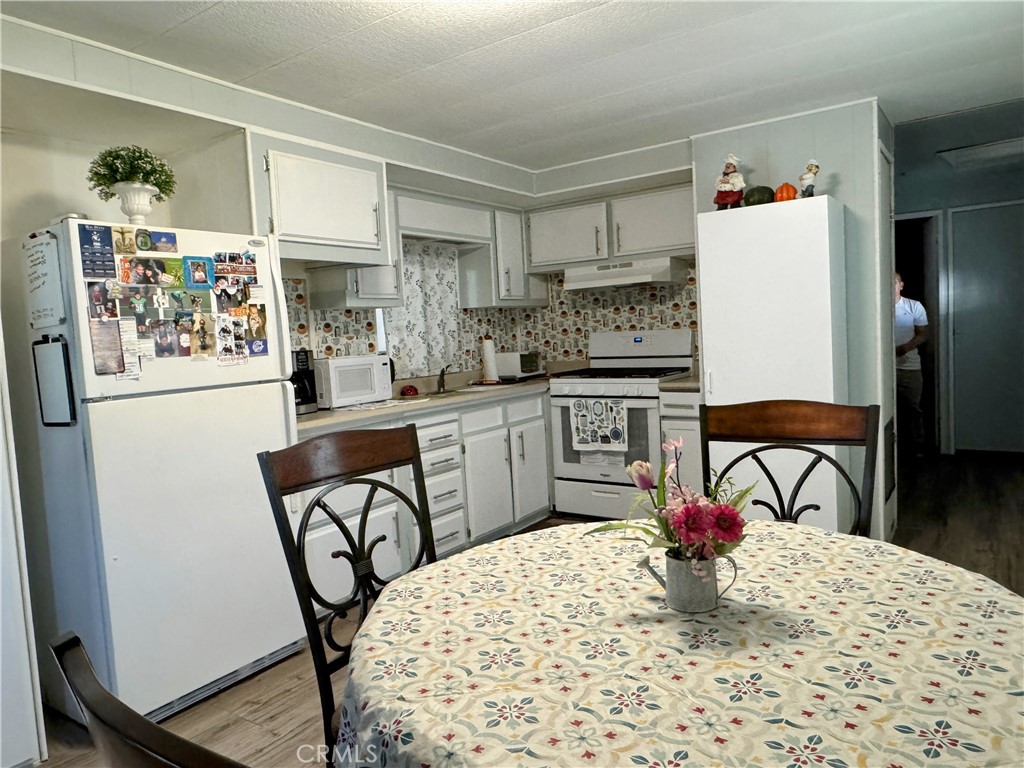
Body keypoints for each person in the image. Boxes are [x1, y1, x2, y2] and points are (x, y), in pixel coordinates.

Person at [894, 272, 929, 457]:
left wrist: (904, 348)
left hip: (909, 367)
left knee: (913, 409)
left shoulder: (914, 306)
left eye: (894, 282)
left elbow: (923, 334)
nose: (891, 286)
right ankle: (892, 451)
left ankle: (917, 450)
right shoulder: (877, 307)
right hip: (885, 369)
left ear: (901, 285)